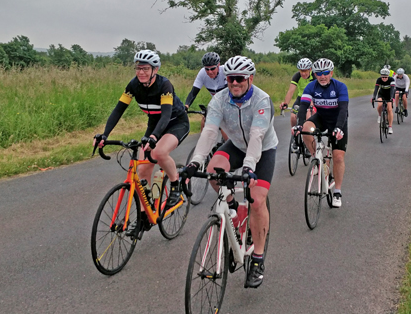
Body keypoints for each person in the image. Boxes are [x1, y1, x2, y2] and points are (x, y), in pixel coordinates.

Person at [183, 55, 277, 289]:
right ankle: (233, 206)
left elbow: (256, 136)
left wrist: (249, 167)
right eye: (230, 79)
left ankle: (257, 258)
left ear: (250, 79)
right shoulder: (221, 99)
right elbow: (210, 132)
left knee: (256, 201)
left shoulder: (261, 100)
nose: (234, 83)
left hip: (263, 150)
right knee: (214, 171)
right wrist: (196, 161)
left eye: (239, 79)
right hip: (235, 144)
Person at [93, 49, 190, 236]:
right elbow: (118, 109)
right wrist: (104, 135)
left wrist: (154, 138)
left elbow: (167, 114)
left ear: (155, 69)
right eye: (138, 68)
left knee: (159, 153)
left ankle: (176, 184)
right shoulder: (133, 85)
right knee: (142, 170)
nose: (141, 72)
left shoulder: (165, 85)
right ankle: (145, 217)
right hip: (154, 124)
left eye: (145, 68)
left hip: (175, 123)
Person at [293, 58, 349, 208]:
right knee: (306, 128)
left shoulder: (340, 87)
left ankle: (337, 191)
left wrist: (338, 128)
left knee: (337, 157)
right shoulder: (311, 86)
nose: (322, 76)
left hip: (338, 121)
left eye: (325, 73)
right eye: (319, 73)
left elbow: (343, 110)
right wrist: (298, 125)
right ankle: (316, 158)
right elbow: (303, 106)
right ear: (315, 74)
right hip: (322, 118)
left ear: (331, 72)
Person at [184, 51, 228, 138]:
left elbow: (231, 93)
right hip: (215, 102)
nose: (209, 72)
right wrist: (186, 106)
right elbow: (193, 93)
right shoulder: (202, 73)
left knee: (224, 125)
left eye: (212, 69)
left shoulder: (225, 71)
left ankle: (228, 149)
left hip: (228, 101)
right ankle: (203, 144)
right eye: (207, 69)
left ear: (218, 65)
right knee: (204, 119)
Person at [280, 58, 315, 134]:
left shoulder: (314, 76)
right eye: (301, 71)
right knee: (293, 116)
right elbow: (291, 91)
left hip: (312, 98)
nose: (303, 73)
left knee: (308, 115)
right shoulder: (297, 76)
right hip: (301, 98)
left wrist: (311, 105)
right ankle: (295, 135)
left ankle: (308, 135)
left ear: (310, 69)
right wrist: (286, 103)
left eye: (305, 71)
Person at [372, 68, 396, 134]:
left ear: (388, 76)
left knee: (389, 109)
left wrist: (391, 98)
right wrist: (374, 97)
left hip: (390, 95)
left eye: (385, 77)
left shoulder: (392, 80)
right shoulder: (379, 80)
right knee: (380, 104)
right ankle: (380, 115)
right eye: (382, 77)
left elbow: (392, 90)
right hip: (382, 94)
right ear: (380, 76)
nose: (384, 78)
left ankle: (390, 127)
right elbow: (376, 89)